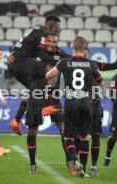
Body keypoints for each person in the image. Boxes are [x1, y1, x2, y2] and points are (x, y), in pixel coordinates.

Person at [46, 36, 103, 177]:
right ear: (85, 49)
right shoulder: (92, 64)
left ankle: (74, 158)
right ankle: (83, 170)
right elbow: (100, 85)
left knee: (68, 138)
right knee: (84, 138)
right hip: (86, 105)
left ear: (72, 47)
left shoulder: (64, 62)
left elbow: (48, 75)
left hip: (71, 104)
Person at [23, 33, 70, 174]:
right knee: (32, 130)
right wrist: (11, 56)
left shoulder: (63, 56)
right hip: (36, 95)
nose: (51, 44)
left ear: (57, 42)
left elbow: (76, 65)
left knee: (63, 128)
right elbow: (20, 58)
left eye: (54, 41)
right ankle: (32, 164)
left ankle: (69, 160)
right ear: (45, 41)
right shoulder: (36, 52)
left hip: (53, 97)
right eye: (48, 41)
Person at [7, 15, 61, 134]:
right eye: (56, 29)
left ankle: (16, 120)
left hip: (16, 63)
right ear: (49, 26)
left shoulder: (36, 32)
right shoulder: (41, 33)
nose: (57, 32)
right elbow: (43, 55)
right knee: (53, 68)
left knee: (35, 87)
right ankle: (49, 102)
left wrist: (11, 52)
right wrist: (60, 62)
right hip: (20, 63)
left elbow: (20, 45)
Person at [87, 49, 117, 176]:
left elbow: (113, 66)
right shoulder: (73, 64)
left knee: (95, 135)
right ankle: (77, 163)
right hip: (81, 103)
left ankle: (93, 167)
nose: (84, 55)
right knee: (79, 136)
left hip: (94, 103)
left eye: (86, 53)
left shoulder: (93, 64)